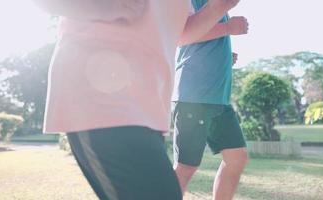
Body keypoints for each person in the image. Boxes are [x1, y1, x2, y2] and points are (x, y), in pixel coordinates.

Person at [34, 0, 242, 199]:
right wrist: (106, 6)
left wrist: (219, 6)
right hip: (99, 102)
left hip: (148, 110)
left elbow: (182, 33)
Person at [172, 0, 249, 199]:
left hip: (218, 98)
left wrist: (223, 56)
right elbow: (181, 35)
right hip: (194, 97)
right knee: (185, 166)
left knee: (237, 158)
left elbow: (201, 42)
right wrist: (227, 28)